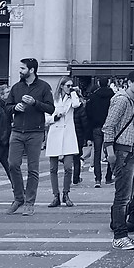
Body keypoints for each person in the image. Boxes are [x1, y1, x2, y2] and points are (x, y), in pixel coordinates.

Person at [102, 70, 134, 249]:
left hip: (133, 151)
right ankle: (119, 236)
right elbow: (108, 126)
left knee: (128, 196)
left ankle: (122, 232)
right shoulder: (121, 99)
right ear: (129, 83)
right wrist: (110, 152)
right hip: (122, 151)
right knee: (122, 196)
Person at [6, 58, 52, 209]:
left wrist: (35, 103)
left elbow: (51, 108)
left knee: (33, 169)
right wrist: (14, 108)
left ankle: (30, 201)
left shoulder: (44, 87)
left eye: (23, 68)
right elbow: (6, 107)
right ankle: (19, 197)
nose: (20, 71)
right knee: (13, 164)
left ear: (31, 70)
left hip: (35, 132)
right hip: (17, 130)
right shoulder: (16, 87)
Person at [43, 79, 83, 208]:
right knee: (53, 168)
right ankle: (56, 195)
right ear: (61, 86)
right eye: (68, 86)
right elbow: (45, 118)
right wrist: (55, 117)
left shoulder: (72, 98)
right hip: (55, 133)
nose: (70, 87)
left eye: (71, 85)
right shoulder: (53, 99)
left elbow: (77, 105)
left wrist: (74, 93)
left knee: (68, 167)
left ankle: (66, 194)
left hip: (68, 135)